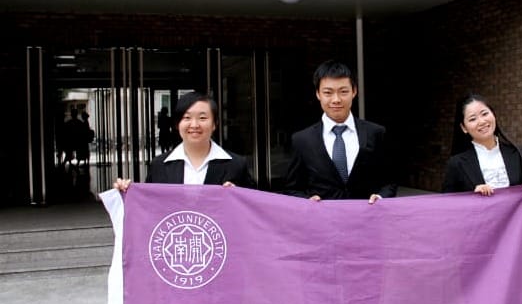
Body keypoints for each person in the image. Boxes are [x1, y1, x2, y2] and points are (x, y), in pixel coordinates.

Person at [283, 60, 397, 203]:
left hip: (367, 219)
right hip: (323, 221)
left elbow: (389, 182)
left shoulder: (376, 133)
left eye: (343, 92)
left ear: (354, 91)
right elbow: (292, 189)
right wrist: (306, 200)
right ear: (318, 94)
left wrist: (381, 198)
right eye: (328, 93)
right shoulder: (302, 140)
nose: (336, 100)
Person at [114, 92, 255, 191]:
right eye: (186, 118)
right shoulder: (159, 166)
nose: (194, 125)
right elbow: (148, 209)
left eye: (202, 118)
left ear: (214, 124)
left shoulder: (236, 165)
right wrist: (126, 193)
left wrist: (238, 196)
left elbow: (255, 210)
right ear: (177, 124)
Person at [441, 93, 522, 207]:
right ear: (464, 128)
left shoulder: (518, 153)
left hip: (513, 225)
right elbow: (446, 206)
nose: (482, 121)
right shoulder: (457, 163)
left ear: (493, 114)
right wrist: (472, 196)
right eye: (473, 119)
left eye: (485, 114)